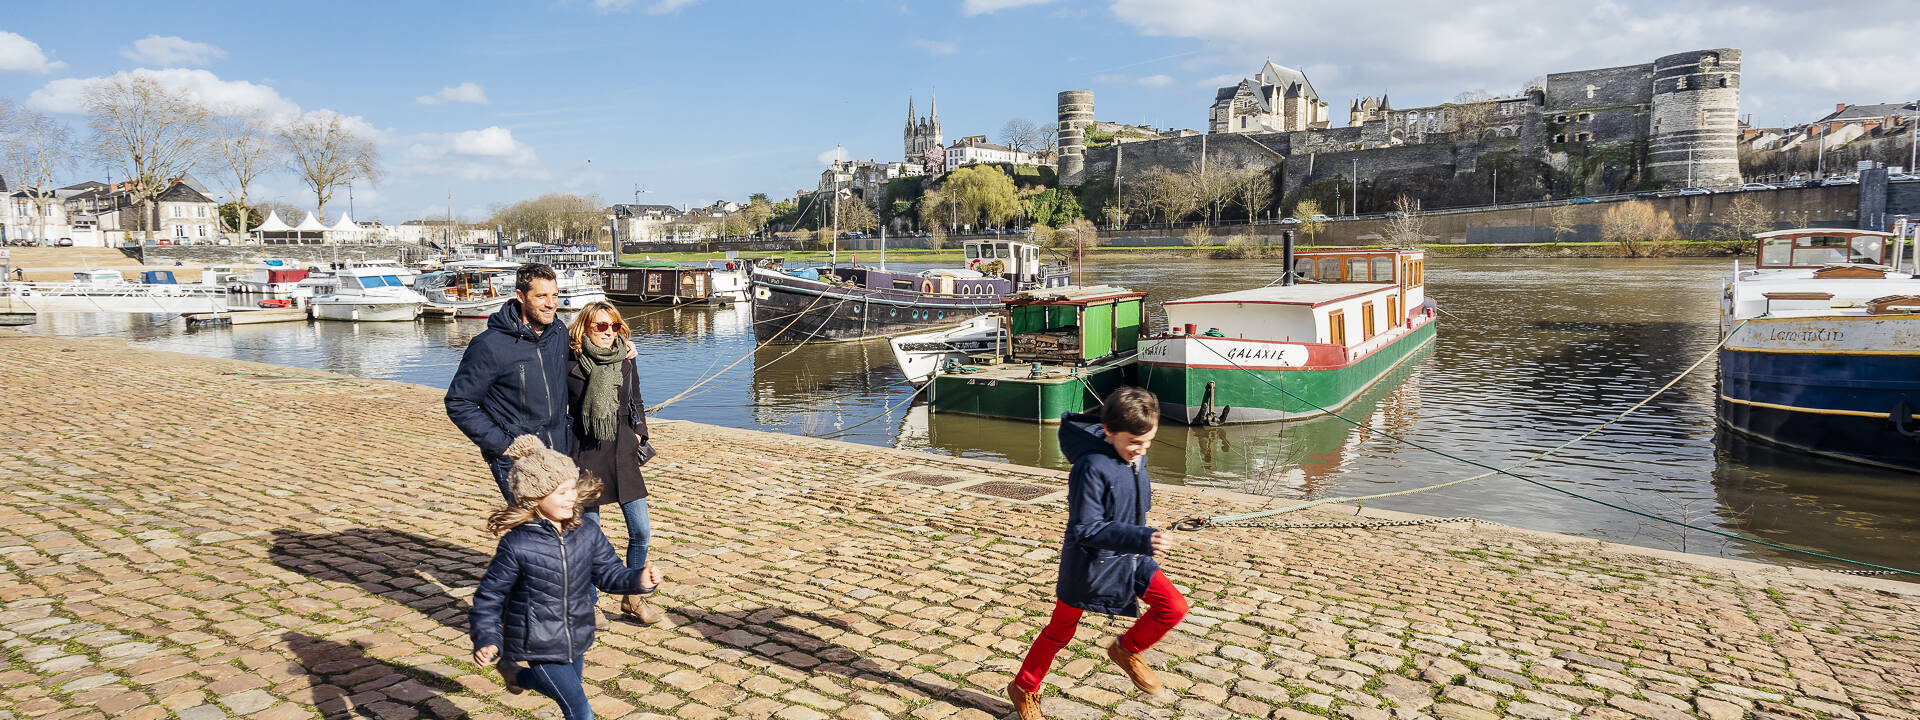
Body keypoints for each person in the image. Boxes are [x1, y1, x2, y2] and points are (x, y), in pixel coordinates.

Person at [1007, 387, 1188, 720]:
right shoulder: (1089, 468)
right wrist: (1144, 538)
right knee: (1061, 630)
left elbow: (1133, 503)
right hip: (1089, 563)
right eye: (1135, 443)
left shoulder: (1134, 451)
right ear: (1109, 432)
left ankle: (1126, 650)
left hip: (1132, 556)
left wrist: (1144, 535)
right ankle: (1024, 688)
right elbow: (1087, 530)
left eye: (1148, 442)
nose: (1141, 450)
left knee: (1173, 607)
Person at [470, 435, 660, 720]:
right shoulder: (518, 544)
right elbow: (490, 596)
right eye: (561, 492)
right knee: (581, 710)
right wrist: (488, 638)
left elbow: (608, 573)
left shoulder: (586, 532)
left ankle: (515, 676)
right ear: (536, 497)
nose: (571, 497)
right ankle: (518, 672)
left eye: (572, 488)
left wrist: (637, 580)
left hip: (577, 634)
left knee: (566, 691)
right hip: (538, 642)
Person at [565, 301, 663, 624]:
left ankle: (633, 598)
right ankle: (590, 602)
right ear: (586, 328)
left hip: (622, 451)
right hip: (587, 452)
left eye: (615, 326)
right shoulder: (569, 362)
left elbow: (636, 399)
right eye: (602, 326)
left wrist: (639, 433)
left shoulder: (626, 358)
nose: (610, 332)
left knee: (642, 531)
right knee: (591, 536)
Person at [445, 263, 572, 502]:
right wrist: (502, 446)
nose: (551, 303)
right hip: (517, 458)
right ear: (520, 296)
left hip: (559, 452)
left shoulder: (558, 333)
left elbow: (581, 360)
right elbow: (459, 401)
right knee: (534, 529)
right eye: (541, 296)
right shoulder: (490, 345)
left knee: (560, 528)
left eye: (554, 295)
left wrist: (623, 347)